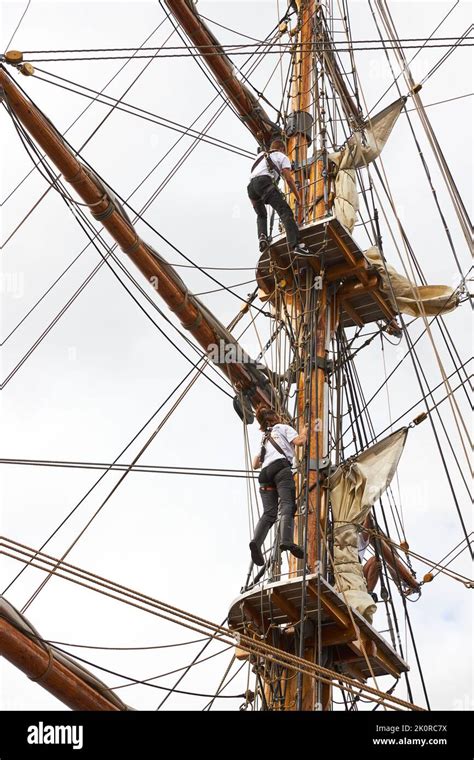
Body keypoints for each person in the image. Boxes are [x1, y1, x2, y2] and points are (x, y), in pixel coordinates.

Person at [249, 406, 308, 566]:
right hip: (281, 469)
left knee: (269, 513)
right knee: (288, 504)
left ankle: (256, 542)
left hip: (265, 476)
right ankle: (286, 541)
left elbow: (255, 464)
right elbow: (300, 442)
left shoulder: (264, 438)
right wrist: (304, 431)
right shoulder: (282, 428)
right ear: (275, 417)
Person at [247, 138, 311, 256]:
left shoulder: (261, 155)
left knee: (261, 214)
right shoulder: (281, 156)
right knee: (285, 212)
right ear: (282, 149)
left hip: (251, 188)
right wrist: (298, 197)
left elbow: (254, 176)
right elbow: (288, 179)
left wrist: (256, 202)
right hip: (264, 183)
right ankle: (296, 245)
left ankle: (262, 237)